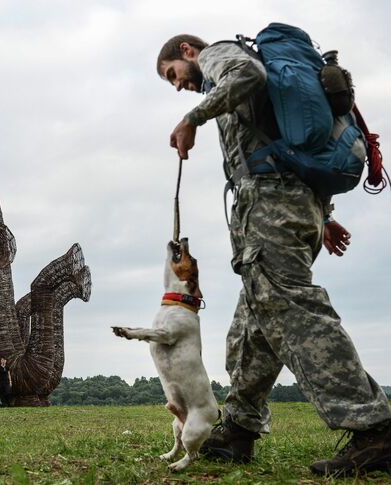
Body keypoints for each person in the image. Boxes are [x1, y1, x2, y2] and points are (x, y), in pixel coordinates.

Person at [156, 33, 391, 476]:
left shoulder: (219, 55)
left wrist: (194, 117)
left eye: (173, 74)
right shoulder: (232, 74)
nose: (177, 85)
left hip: (270, 209)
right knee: (251, 329)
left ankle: (374, 426)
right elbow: (283, 149)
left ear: (187, 51)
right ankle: (237, 430)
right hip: (288, 204)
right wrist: (322, 215)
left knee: (295, 313)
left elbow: (247, 74)